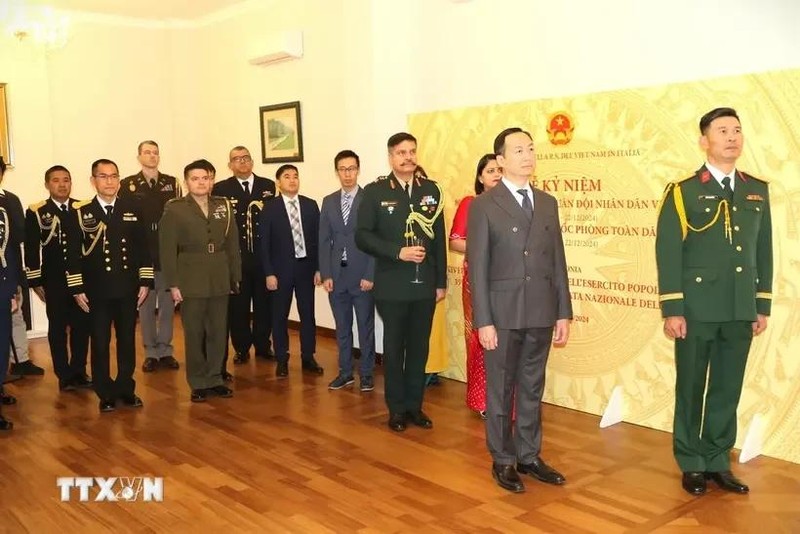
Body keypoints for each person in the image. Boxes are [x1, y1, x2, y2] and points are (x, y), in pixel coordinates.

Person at [656, 107, 772, 496]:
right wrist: (673, 308)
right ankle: (691, 461)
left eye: (737, 130)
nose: (732, 137)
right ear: (705, 140)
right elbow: (669, 253)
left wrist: (762, 304)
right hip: (696, 310)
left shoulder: (757, 189)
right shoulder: (682, 191)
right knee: (690, 387)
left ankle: (718, 459)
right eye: (722, 130)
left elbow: (764, 251)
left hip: (739, 308)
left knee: (727, 388)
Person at [468, 127, 572, 493]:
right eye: (518, 150)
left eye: (530, 149)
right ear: (500, 160)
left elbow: (558, 260)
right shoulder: (484, 205)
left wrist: (563, 312)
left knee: (531, 386)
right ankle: (503, 459)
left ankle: (529, 455)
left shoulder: (547, 202)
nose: (527, 156)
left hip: (541, 310)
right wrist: (484, 321)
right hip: (503, 313)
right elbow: (477, 267)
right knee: (502, 389)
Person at [355, 132, 447, 433]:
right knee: (394, 349)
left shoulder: (431, 191)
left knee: (419, 348)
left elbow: (439, 241)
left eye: (411, 151)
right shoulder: (375, 191)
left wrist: (441, 280)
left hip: (425, 285)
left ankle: (414, 407)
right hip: (392, 285)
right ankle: (396, 409)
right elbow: (363, 236)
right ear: (391, 157)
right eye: (401, 153)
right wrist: (398, 252)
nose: (407, 157)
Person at [65, 159, 153, 413]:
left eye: (114, 176)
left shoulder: (132, 207)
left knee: (126, 340)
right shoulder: (81, 212)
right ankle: (104, 392)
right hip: (97, 291)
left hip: (127, 288)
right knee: (100, 342)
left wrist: (145, 281)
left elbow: (143, 248)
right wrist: (76, 287)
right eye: (103, 177)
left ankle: (126, 388)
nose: (109, 181)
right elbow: (71, 254)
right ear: (93, 181)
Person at [159, 160, 240, 403]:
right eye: (195, 178)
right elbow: (167, 249)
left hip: (219, 274)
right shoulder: (174, 208)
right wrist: (173, 284)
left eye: (205, 178)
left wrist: (235, 276)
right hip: (190, 277)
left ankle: (215, 377)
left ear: (211, 180)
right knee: (194, 332)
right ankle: (198, 381)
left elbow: (233, 245)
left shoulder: (223, 206)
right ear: (187, 182)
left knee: (218, 331)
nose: (201, 182)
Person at [25, 165, 91, 391]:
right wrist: (35, 282)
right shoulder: (36, 211)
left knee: (82, 326)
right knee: (58, 328)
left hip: (81, 279)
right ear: (47, 185)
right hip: (54, 280)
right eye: (56, 180)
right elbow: (32, 249)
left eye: (66, 180)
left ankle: (79, 371)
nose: (62, 184)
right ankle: (64, 374)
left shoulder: (83, 208)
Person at [212, 146, 275, 378]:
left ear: (252, 161)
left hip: (262, 256)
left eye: (246, 158)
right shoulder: (220, 189)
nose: (242, 162)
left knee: (263, 304)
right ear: (230, 165)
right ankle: (241, 348)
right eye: (237, 159)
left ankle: (262, 344)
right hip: (235, 258)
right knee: (237, 307)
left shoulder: (268, 186)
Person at [120, 140, 181, 373]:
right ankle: (150, 351)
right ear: (139, 157)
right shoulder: (128, 185)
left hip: (166, 252)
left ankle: (165, 349)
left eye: (155, 152)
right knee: (145, 305)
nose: (152, 156)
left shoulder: (171, 183)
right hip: (142, 254)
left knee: (167, 304)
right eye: (147, 152)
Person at [449, 154, 502, 418]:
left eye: (499, 170)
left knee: (507, 339)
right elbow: (456, 241)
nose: (496, 174)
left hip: (507, 283)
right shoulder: (471, 204)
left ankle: (506, 400)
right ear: (480, 177)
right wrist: (485, 249)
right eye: (490, 170)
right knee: (481, 338)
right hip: (478, 280)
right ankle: (481, 400)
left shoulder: (509, 204)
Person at [319, 150, 376, 392]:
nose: (348, 174)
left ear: (358, 170)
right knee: (342, 327)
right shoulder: (329, 201)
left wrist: (370, 275)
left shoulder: (369, 199)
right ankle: (345, 372)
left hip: (362, 275)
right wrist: (326, 274)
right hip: (337, 276)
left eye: (352, 168)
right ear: (337, 172)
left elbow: (375, 240)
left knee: (365, 327)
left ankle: (366, 374)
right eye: (343, 169)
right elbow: (323, 239)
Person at [259, 164, 323, 378]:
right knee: (279, 315)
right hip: (280, 271)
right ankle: (282, 358)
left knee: (308, 315)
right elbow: (264, 244)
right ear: (278, 182)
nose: (292, 180)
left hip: (306, 268)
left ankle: (308, 356)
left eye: (295, 176)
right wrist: (269, 272)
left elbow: (318, 240)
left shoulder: (310, 205)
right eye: (287, 177)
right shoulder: (270, 208)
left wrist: (319, 268)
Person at [0, 155, 21, 429]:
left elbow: (12, 247)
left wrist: (15, 286)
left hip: (2, 285)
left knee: (1, 344)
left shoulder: (7, 203)